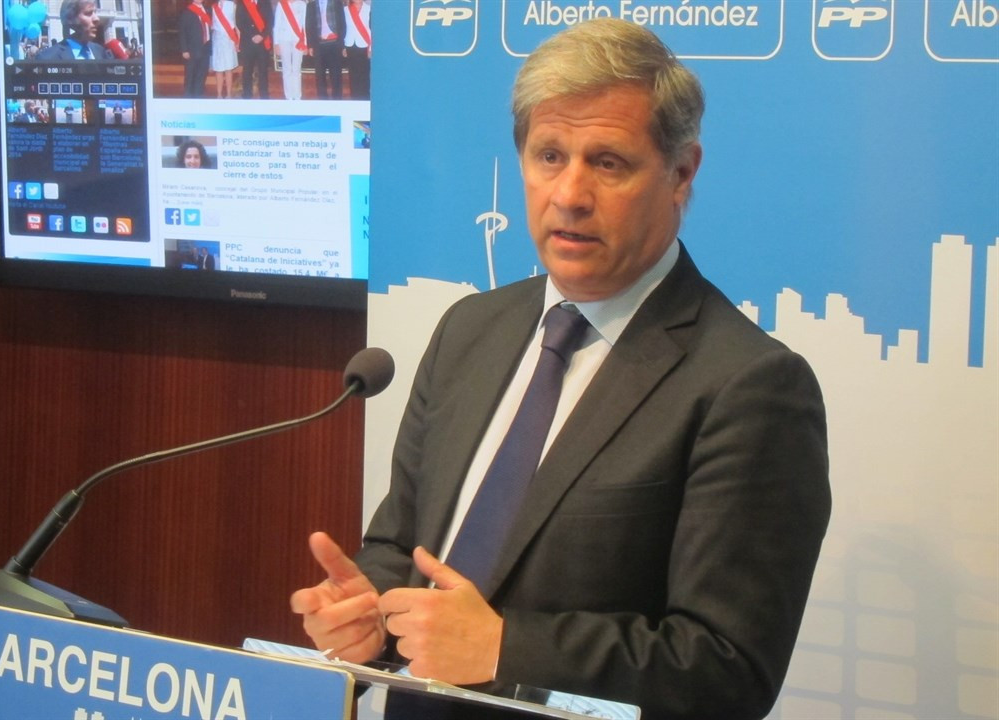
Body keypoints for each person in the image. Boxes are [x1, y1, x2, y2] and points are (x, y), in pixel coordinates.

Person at [290, 18, 830, 720]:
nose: (569, 194)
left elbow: (728, 671)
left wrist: (506, 648)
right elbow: (403, 548)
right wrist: (364, 612)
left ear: (681, 172)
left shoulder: (749, 386)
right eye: (549, 156)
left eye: (608, 163)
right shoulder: (469, 330)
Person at [34, 0, 112, 61]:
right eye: (88, 13)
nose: (97, 19)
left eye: (95, 12)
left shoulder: (101, 52)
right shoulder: (47, 58)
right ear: (70, 19)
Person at [306, 0, 345, 99]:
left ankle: (337, 101)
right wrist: (310, 45)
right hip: (319, 45)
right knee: (320, 77)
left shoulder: (337, 3)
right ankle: (323, 102)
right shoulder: (311, 5)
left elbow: (342, 23)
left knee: (336, 75)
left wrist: (341, 42)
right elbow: (309, 25)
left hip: (334, 44)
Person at [236, 0, 275, 99]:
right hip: (248, 42)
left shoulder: (265, 2)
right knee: (247, 70)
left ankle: (264, 95)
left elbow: (270, 21)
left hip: (262, 42)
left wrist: (262, 35)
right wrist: (252, 35)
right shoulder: (242, 3)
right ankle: (247, 95)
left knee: (263, 70)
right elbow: (239, 22)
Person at [274, 0, 308, 101]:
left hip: (298, 40)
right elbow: (276, 25)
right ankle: (288, 96)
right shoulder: (281, 4)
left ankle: (297, 96)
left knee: (297, 68)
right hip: (283, 39)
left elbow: (304, 24)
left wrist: (305, 43)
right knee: (287, 68)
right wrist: (276, 43)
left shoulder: (302, 4)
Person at [178, 0, 212, 98]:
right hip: (192, 49)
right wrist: (184, 50)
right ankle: (188, 98)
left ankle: (199, 96)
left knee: (202, 75)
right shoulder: (187, 12)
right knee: (190, 76)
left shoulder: (207, 10)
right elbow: (182, 32)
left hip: (205, 48)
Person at [210, 0, 240, 99]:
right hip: (217, 40)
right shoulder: (214, 7)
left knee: (228, 69)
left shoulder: (233, 6)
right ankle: (218, 95)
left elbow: (237, 25)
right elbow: (212, 25)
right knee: (218, 69)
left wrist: (238, 42)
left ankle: (229, 94)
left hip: (229, 40)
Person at [341, 0, 369, 100]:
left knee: (364, 74)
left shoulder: (369, 9)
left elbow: (373, 30)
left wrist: (371, 47)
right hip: (350, 45)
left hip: (364, 45)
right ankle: (355, 99)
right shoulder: (345, 10)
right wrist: (343, 46)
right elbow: (343, 29)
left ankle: (365, 99)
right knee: (353, 74)